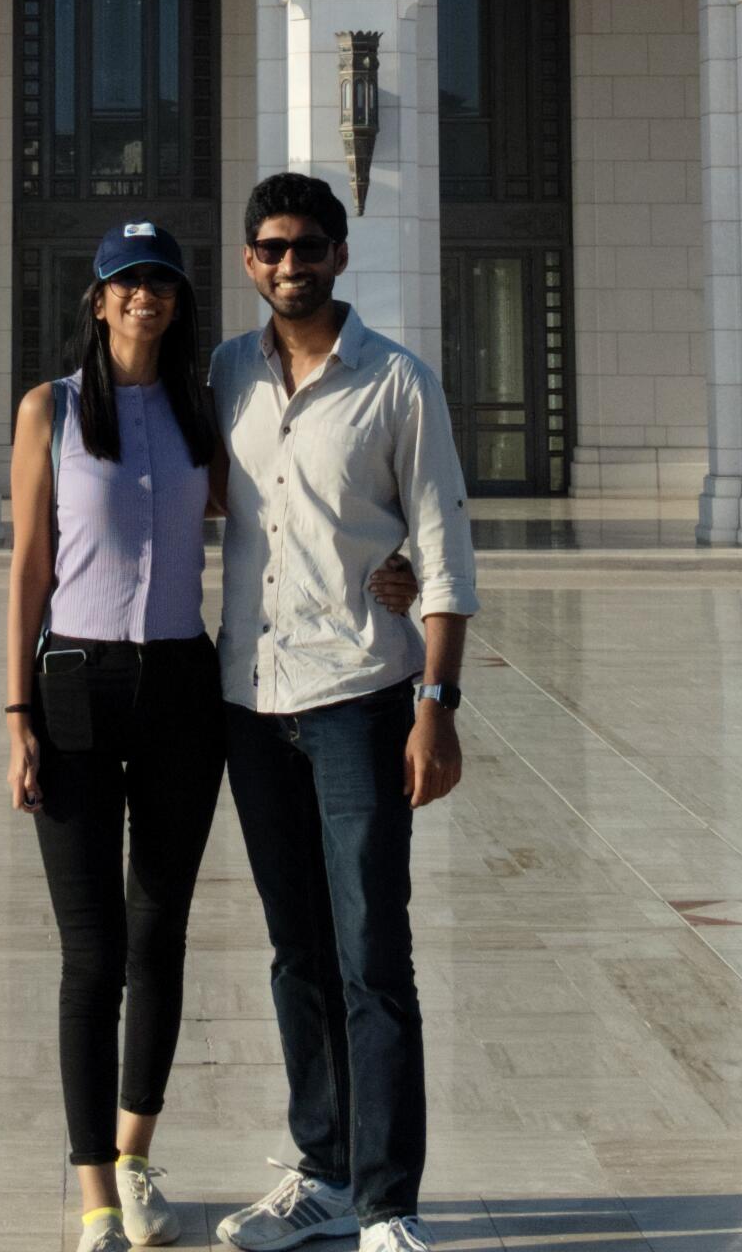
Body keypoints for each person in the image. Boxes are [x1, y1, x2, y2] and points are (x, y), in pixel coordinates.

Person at [10, 222, 424, 1252]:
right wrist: (15, 713)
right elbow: (26, 568)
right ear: (97, 302)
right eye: (125, 283)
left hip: (182, 691)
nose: (144, 297)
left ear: (180, 302)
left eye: (159, 282)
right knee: (89, 953)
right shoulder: (49, 410)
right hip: (73, 688)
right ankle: (95, 1192)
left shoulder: (206, 412)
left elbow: (292, 512)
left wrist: (396, 558)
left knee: (158, 938)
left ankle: (138, 1156)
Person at [205, 173, 477, 1252]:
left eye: (307, 246)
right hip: (251, 701)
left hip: (360, 700)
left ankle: (386, 1200)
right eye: (270, 247)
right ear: (247, 261)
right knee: (294, 954)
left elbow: (446, 554)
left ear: (341, 253)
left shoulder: (397, 382)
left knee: (372, 953)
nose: (288, 263)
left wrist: (436, 706)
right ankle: (320, 1171)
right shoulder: (228, 373)